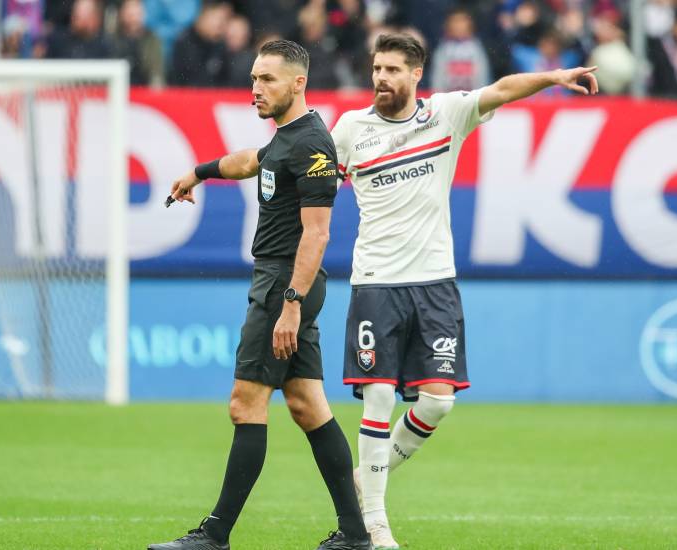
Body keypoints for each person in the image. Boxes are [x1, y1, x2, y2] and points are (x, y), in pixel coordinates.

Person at [330, 33, 598, 549]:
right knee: (380, 393)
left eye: (392, 69)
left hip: (435, 281)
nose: (381, 77)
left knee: (437, 403)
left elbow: (501, 88)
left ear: (415, 74)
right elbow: (309, 175)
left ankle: (368, 476)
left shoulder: (446, 115)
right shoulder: (350, 129)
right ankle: (374, 523)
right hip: (376, 282)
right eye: (376, 68)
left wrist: (555, 77)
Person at [148, 39, 372, 550]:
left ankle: (216, 534)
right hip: (284, 283)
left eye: (267, 79)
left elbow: (317, 234)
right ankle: (356, 535)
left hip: (283, 284)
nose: (256, 88)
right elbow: (251, 161)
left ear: (298, 83)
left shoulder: (313, 145)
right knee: (307, 405)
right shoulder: (285, 141)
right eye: (253, 78)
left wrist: (290, 304)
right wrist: (200, 173)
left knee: (244, 403)